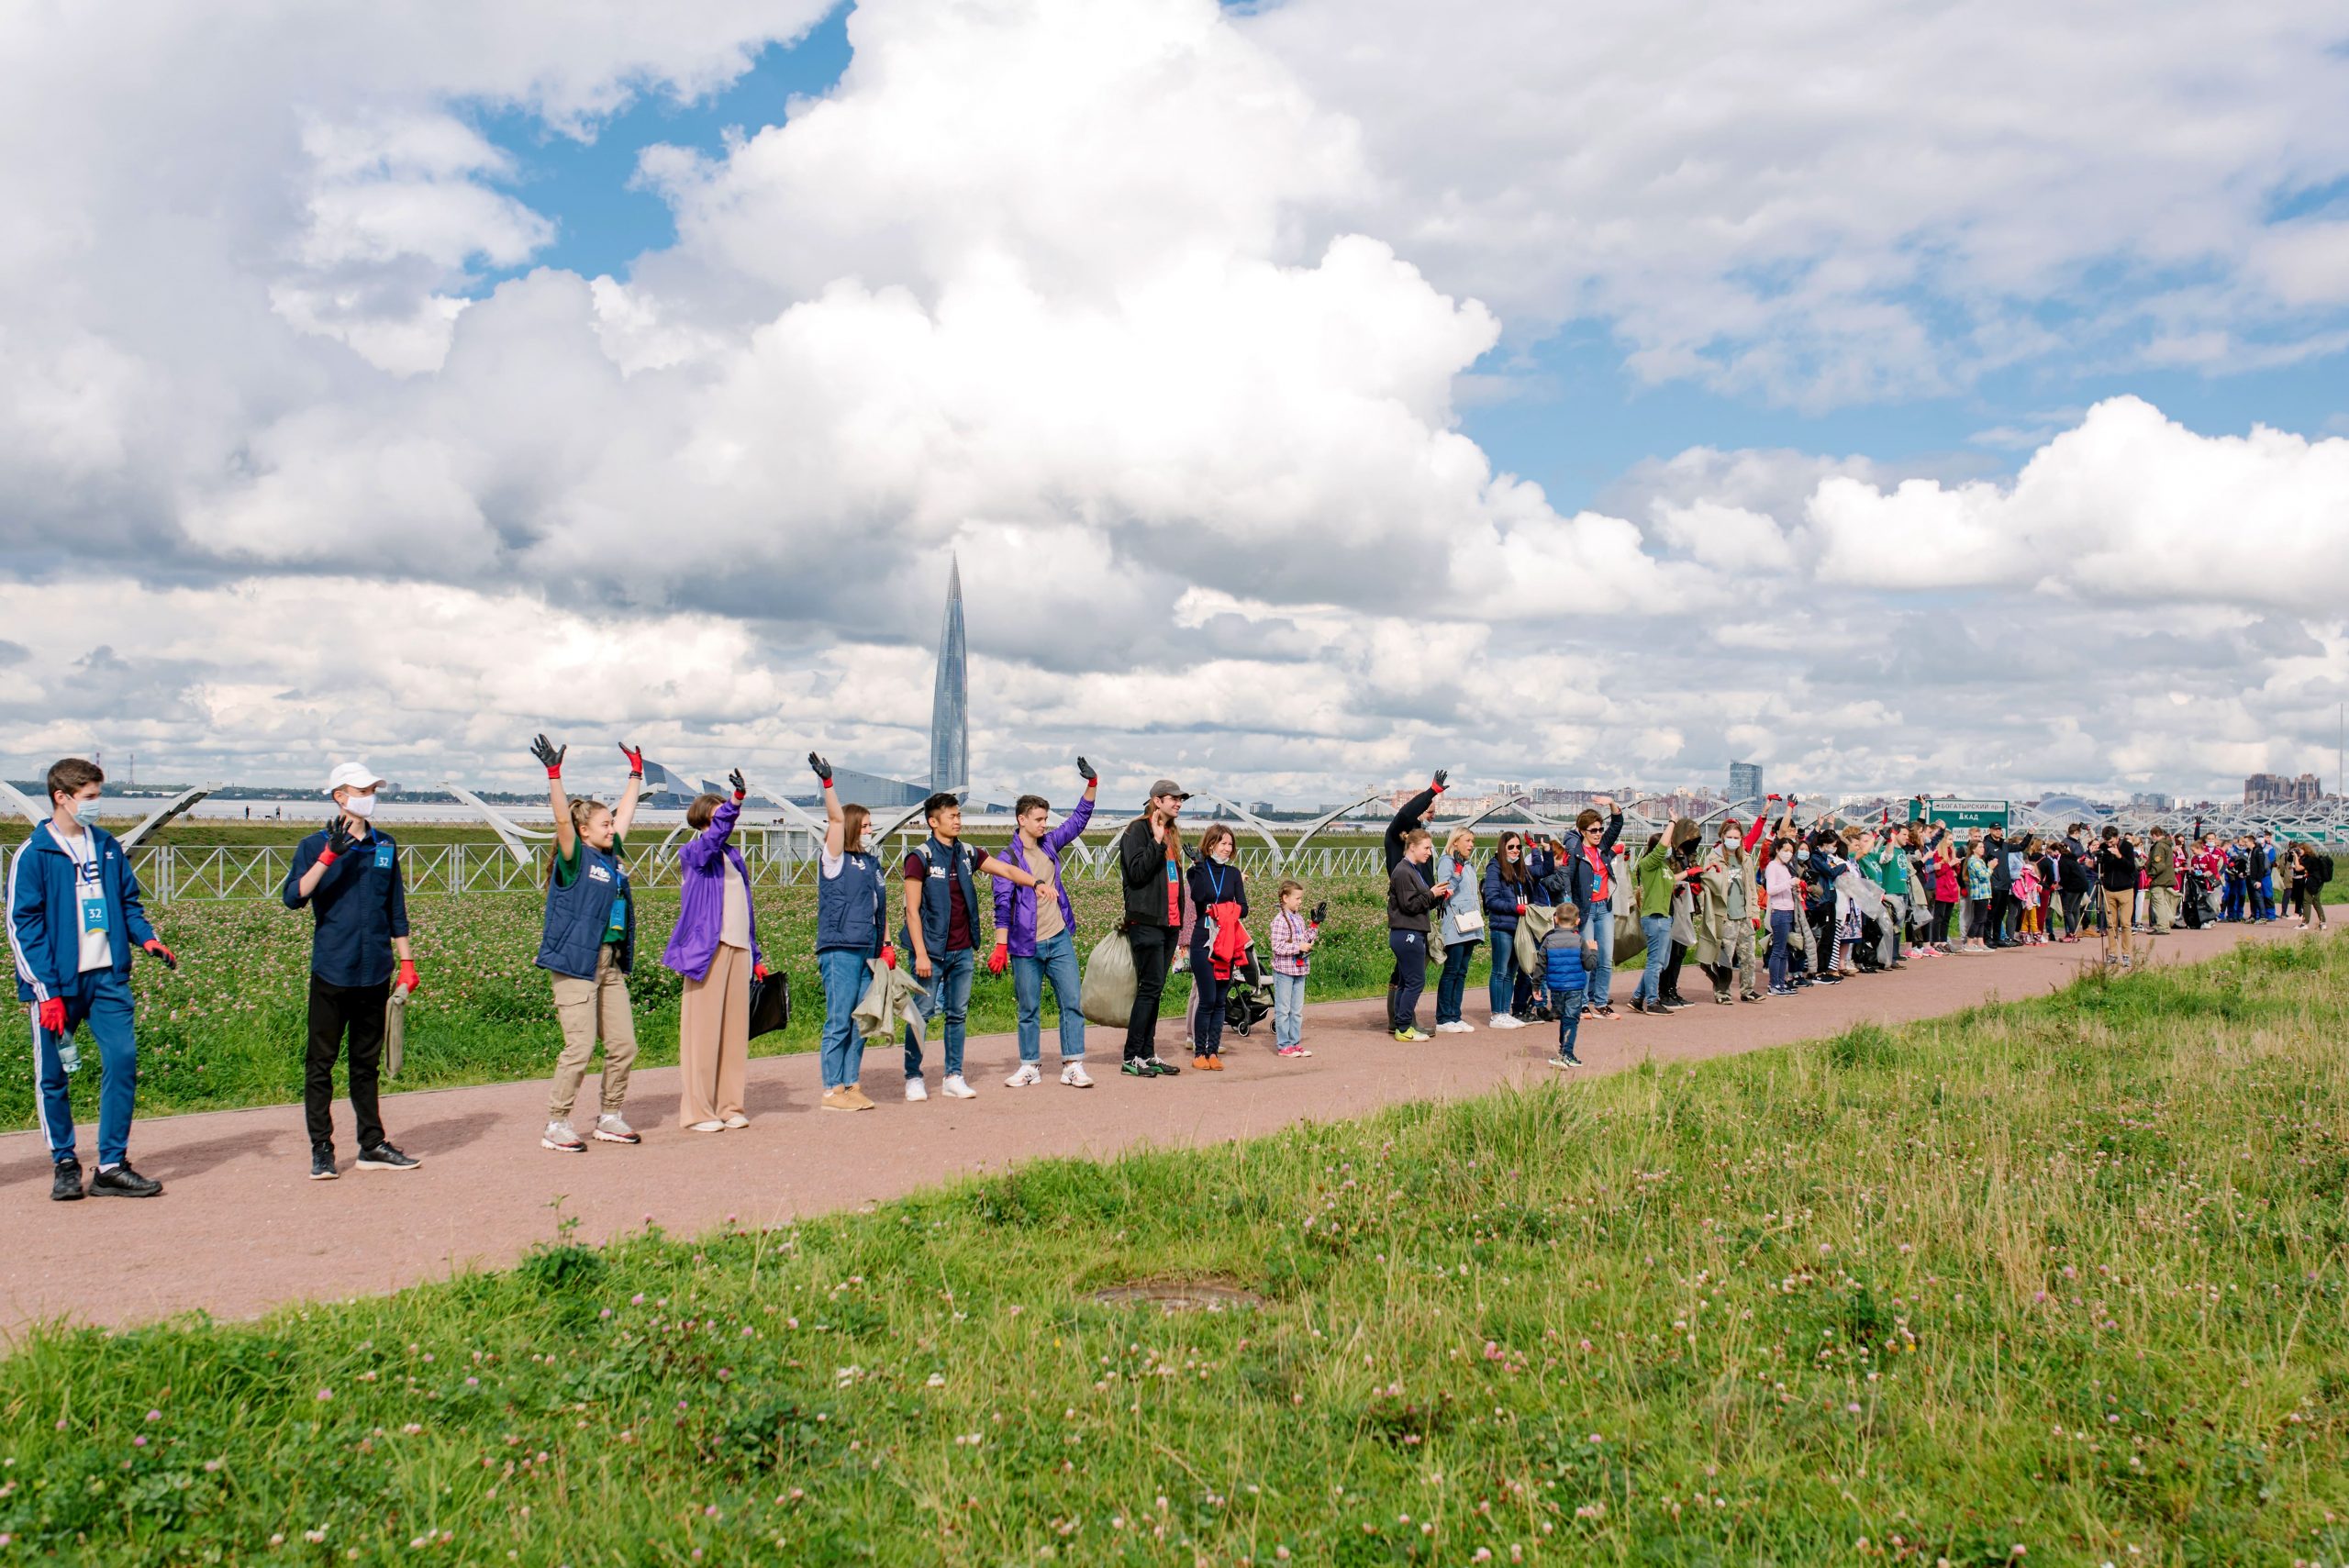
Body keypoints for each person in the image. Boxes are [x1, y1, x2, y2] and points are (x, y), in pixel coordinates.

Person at [7, 757, 174, 1201]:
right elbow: (22, 927)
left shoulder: (106, 847)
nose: (98, 806)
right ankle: (64, 1161)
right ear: (62, 797)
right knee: (54, 1074)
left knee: (122, 1060)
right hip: (58, 986)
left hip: (108, 980)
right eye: (91, 798)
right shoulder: (34, 854)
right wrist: (46, 992)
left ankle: (111, 1165)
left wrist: (147, 939)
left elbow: (128, 903)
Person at [282, 761, 421, 1179]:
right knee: (320, 1064)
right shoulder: (313, 845)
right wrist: (328, 856)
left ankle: (372, 1143)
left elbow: (395, 906)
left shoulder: (385, 845)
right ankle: (322, 1148)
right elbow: (294, 897)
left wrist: (407, 961)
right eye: (360, 790)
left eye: (372, 789)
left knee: (366, 1063)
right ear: (339, 796)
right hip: (332, 970)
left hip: (374, 970)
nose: (369, 796)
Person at [529, 738, 646, 1151]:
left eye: (612, 824)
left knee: (624, 1046)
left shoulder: (612, 856)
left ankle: (609, 1115)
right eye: (605, 825)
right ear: (584, 832)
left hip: (609, 964)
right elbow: (562, 822)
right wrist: (554, 775)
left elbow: (626, 813)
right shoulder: (575, 857)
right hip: (576, 964)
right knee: (579, 1049)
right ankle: (556, 1123)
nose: (613, 829)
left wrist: (636, 773)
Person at [900, 791, 1038, 1100]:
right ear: (933, 821)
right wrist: (920, 953)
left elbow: (1005, 870)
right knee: (921, 1014)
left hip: (962, 949)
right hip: (930, 952)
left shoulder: (967, 853)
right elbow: (911, 911)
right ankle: (913, 1076)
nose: (957, 820)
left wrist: (1036, 883)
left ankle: (953, 1075)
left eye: (959, 815)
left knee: (957, 1014)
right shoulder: (920, 857)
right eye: (951, 816)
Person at [662, 770, 769, 1131]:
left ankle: (729, 1106)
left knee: (733, 1034)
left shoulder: (733, 856)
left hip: (738, 948)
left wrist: (755, 955)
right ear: (710, 815)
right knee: (703, 1033)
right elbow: (715, 835)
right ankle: (697, 1111)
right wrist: (737, 799)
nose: (728, 815)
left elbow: (745, 909)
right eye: (722, 810)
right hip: (708, 950)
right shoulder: (695, 852)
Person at [989, 760, 1099, 1088]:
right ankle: (1029, 1066)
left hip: (1058, 936)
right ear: (1021, 819)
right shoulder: (1007, 859)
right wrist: (1000, 944)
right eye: (1038, 819)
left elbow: (1078, 821)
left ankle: (1072, 1065)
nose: (1043, 824)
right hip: (1025, 944)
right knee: (1029, 1006)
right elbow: (1002, 904)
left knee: (1071, 1001)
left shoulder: (1050, 844)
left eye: (1046, 819)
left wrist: (1092, 784)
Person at [809, 752, 885, 1111]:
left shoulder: (872, 863)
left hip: (867, 950)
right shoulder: (834, 858)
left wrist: (884, 945)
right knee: (839, 1019)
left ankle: (852, 1083)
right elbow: (835, 818)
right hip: (839, 948)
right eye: (867, 825)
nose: (871, 831)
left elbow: (876, 909)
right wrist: (828, 784)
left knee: (862, 1021)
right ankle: (832, 1089)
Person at [1116, 781, 1191, 1079]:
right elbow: (1136, 873)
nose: (1179, 804)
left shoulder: (1171, 833)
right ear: (1157, 800)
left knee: (1155, 989)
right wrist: (1157, 843)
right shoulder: (1138, 830)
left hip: (1169, 922)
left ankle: (1147, 1053)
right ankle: (1132, 1055)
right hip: (1146, 921)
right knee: (1149, 988)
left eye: (1181, 800)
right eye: (1174, 799)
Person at [1183, 822, 1249, 1068]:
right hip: (1203, 939)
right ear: (1210, 844)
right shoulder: (1196, 870)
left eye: (1230, 844)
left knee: (1221, 999)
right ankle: (1200, 1052)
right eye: (1223, 843)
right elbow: (1198, 896)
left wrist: (1224, 910)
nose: (1227, 848)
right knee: (1208, 997)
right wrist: (1199, 865)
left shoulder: (1233, 874)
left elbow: (1244, 908)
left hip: (1227, 940)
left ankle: (1213, 1053)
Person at [1555, 796, 1622, 1018]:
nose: (1598, 833)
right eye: (1593, 830)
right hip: (1585, 911)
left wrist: (1611, 802)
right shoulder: (1575, 853)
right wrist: (1570, 913)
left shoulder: (1603, 848)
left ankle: (1601, 1003)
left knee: (1605, 958)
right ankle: (1582, 1003)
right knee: (1586, 957)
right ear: (1583, 831)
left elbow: (1618, 823)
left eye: (1600, 829)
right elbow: (1568, 883)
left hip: (1604, 909)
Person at [1387, 828, 1445, 1040]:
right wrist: (1431, 893)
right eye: (1426, 847)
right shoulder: (1404, 871)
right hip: (1407, 933)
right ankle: (1403, 1029)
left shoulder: (1412, 869)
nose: (1429, 852)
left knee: (1405, 982)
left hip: (1410, 932)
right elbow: (1409, 905)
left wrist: (1436, 895)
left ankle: (1403, 1025)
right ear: (1412, 846)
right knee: (1415, 982)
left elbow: (1417, 903)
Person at [1481, 830, 1537, 1029]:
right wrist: (1515, 908)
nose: (1515, 851)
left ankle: (1505, 1011)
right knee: (1500, 970)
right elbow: (1492, 900)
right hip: (1502, 926)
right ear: (1502, 848)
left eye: (1518, 847)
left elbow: (1544, 869)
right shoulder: (1495, 869)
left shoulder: (1520, 870)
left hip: (1519, 927)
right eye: (1511, 847)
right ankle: (1497, 1014)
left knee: (1511, 972)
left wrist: (1537, 849)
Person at [1431, 827, 1484, 1033]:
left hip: (1470, 923)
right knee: (1452, 970)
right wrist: (1458, 872)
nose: (1471, 845)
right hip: (1455, 924)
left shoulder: (1468, 864)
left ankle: (1455, 1015)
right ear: (1455, 842)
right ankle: (1444, 1018)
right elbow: (1444, 891)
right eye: (1468, 841)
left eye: (1473, 841)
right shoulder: (1447, 862)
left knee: (1461, 972)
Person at [1267, 882, 1321, 1058]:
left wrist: (1314, 925)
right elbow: (1277, 947)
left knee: (1296, 1011)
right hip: (1284, 971)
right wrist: (1299, 947)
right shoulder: (1279, 921)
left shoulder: (1298, 918)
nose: (1300, 902)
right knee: (1283, 1010)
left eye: (1301, 898)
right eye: (1297, 898)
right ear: (1285, 898)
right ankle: (1284, 1045)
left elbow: (1305, 938)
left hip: (1299, 970)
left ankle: (1295, 1042)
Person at [1542, 900, 1597, 1066]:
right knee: (1571, 1019)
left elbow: (1540, 964)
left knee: (1564, 1017)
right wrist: (1593, 951)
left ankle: (1563, 1049)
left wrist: (1537, 985)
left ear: (1556, 919)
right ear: (1577, 921)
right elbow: (1589, 965)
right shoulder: (1579, 940)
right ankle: (1567, 1053)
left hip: (1556, 987)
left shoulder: (1549, 940)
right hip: (1574, 987)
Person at [2096, 826, 2138, 969]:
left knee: (2125, 923)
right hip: (2109, 890)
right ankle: (2113, 953)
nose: (2109, 845)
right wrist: (2095, 862)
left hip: (2125, 889)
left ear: (2117, 837)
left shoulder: (2127, 847)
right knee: (2111, 924)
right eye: (2107, 842)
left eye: (2111, 841)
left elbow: (2131, 867)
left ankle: (2126, 954)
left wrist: (2119, 856)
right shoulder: (2103, 847)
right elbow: (2101, 867)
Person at [1763, 837, 1800, 995]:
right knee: (1778, 950)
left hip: (1788, 910)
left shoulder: (1786, 867)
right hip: (1779, 911)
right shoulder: (1773, 867)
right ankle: (1774, 984)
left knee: (1785, 950)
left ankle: (1781, 982)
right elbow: (1770, 889)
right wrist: (1790, 883)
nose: (1788, 854)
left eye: (1791, 851)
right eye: (1785, 850)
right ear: (1777, 850)